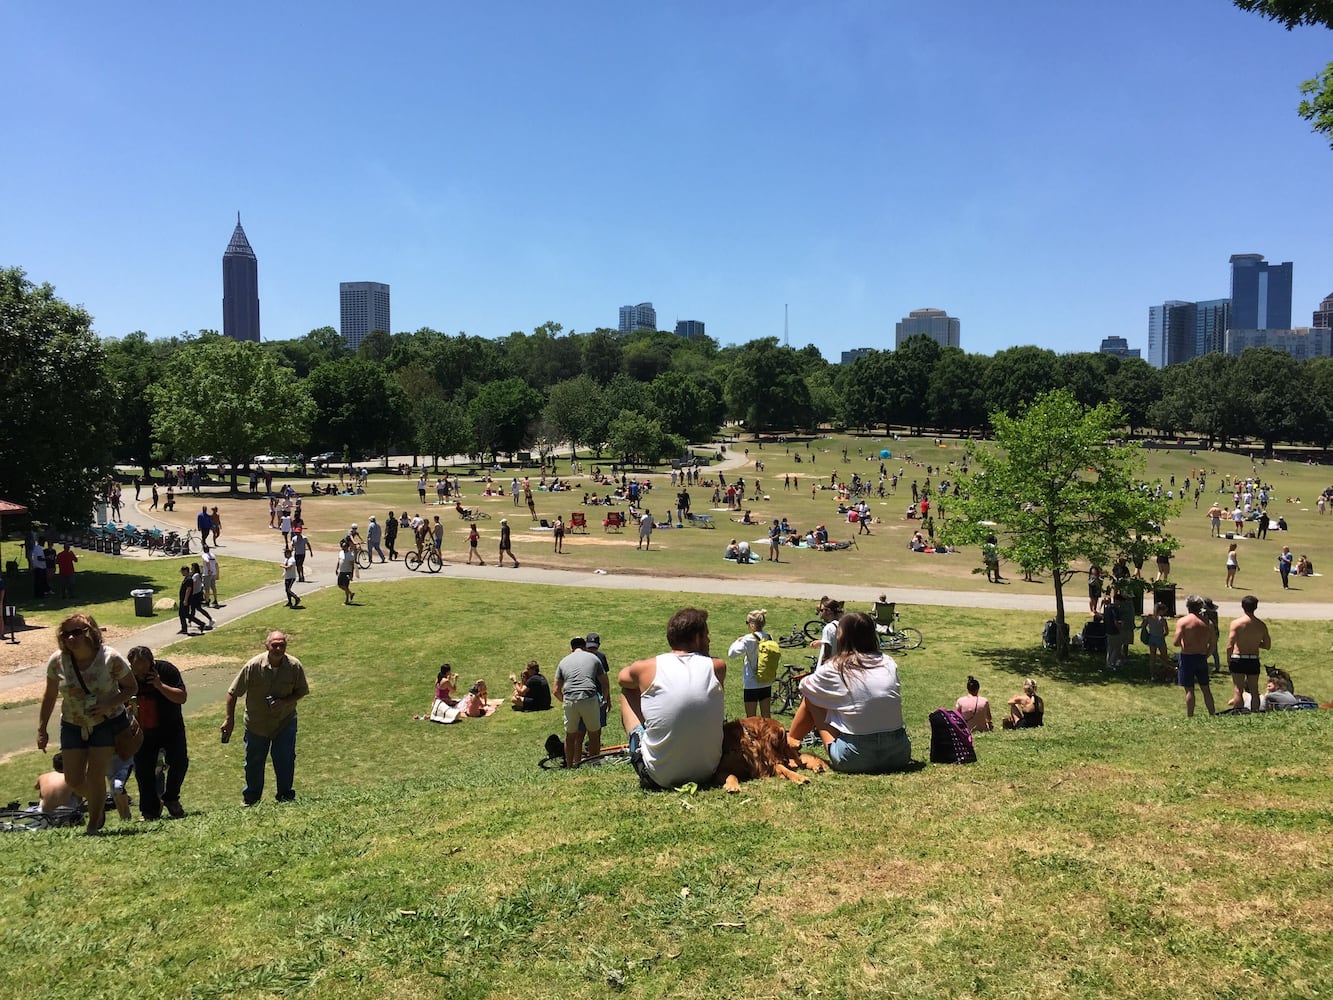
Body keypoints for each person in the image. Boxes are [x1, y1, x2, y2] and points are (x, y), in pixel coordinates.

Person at [37, 613, 137, 833]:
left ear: (90, 632)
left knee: (95, 774)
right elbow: (50, 695)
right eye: (66, 634)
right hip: (72, 724)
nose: (71, 638)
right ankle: (99, 804)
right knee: (73, 779)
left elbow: (132, 688)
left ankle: (93, 823)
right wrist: (42, 728)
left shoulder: (110, 657)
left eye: (77, 632)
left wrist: (108, 704)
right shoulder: (57, 661)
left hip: (104, 722)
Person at [618, 607, 726, 790]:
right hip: (708, 772)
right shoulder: (717, 667)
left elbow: (622, 677)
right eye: (706, 635)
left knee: (627, 691)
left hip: (658, 777)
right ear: (698, 637)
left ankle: (639, 738)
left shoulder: (644, 668)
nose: (709, 640)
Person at [789, 612, 911, 772]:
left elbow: (805, 687)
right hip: (899, 754)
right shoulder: (888, 662)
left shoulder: (836, 667)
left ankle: (789, 744)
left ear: (842, 637)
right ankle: (790, 743)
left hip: (855, 757)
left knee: (811, 699)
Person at [222, 631, 309, 806]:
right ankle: (251, 799)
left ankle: (285, 795)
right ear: (266, 645)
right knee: (254, 762)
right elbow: (233, 692)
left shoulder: (294, 666)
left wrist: (284, 702)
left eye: (281, 645)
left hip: (285, 721)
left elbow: (302, 691)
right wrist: (229, 719)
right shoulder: (253, 666)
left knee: (285, 758)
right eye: (274, 645)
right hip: (257, 724)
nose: (278, 648)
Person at [127, 645, 189, 820]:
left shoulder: (166, 670)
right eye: (135, 669)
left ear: (152, 663)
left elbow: (182, 697)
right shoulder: (126, 677)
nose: (139, 674)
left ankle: (171, 798)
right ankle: (149, 812)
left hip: (171, 728)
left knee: (179, 763)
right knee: (143, 772)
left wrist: (159, 685)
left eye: (143, 669)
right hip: (143, 731)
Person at [554, 637, 611, 768]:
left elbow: (556, 690)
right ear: (584, 646)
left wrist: (566, 702)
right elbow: (605, 684)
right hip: (589, 698)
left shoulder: (563, 661)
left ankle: (570, 766)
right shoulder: (594, 658)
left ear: (571, 648)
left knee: (570, 736)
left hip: (570, 700)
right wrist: (603, 699)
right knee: (594, 734)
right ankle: (594, 764)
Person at [1173, 594, 1217, 718]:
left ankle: (1190, 716)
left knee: (1189, 689)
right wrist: (1206, 654)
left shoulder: (1183, 622)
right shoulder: (1208, 623)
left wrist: (1184, 643)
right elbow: (1213, 643)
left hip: (1187, 657)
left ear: (1188, 606)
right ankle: (1212, 714)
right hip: (1201, 656)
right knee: (1205, 688)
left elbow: (1176, 642)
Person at [1227, 594, 1271, 713]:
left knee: (1238, 689)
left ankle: (1238, 712)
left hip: (1238, 657)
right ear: (1256, 607)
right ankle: (1255, 712)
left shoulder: (1236, 623)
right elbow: (1267, 645)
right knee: (1254, 689)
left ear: (1242, 606)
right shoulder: (1261, 625)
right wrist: (1256, 643)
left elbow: (1230, 644)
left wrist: (1228, 659)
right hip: (1253, 658)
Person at [727, 609, 775, 718]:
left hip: (751, 683)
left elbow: (731, 654)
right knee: (766, 716)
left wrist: (738, 640)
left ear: (752, 624)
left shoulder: (748, 639)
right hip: (766, 680)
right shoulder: (769, 637)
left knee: (751, 719)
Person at [811, 596, 843, 667]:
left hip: (828, 668)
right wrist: (822, 641)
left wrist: (822, 669)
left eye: (822, 610)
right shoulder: (842, 625)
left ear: (829, 611)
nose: (820, 612)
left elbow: (827, 652)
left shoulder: (829, 628)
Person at [1141, 604, 1170, 681]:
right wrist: (1163, 635)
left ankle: (1152, 675)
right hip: (1160, 638)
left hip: (1152, 638)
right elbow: (1166, 632)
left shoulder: (1149, 618)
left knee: (1152, 657)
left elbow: (1143, 625)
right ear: (1160, 611)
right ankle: (1166, 675)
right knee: (1164, 657)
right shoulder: (1163, 620)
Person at [189, 563, 215, 629]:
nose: (191, 569)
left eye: (192, 567)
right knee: (193, 609)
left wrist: (189, 592)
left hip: (195, 595)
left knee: (197, 609)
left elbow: (193, 585)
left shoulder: (195, 576)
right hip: (197, 594)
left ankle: (210, 619)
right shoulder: (198, 575)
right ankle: (190, 622)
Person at [336, 538, 357, 605]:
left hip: (347, 572)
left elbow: (352, 566)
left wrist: (351, 574)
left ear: (347, 547)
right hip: (341, 571)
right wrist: (336, 569)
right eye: (342, 546)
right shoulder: (341, 553)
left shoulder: (350, 555)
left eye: (344, 546)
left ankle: (347, 600)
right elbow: (339, 561)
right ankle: (351, 593)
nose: (343, 547)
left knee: (346, 586)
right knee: (339, 585)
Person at [200, 543, 220, 609]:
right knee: (213, 587)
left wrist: (208, 570)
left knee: (207, 588)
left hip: (207, 574)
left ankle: (207, 601)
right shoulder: (213, 555)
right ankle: (215, 600)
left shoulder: (204, 555)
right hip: (213, 573)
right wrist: (217, 573)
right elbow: (216, 564)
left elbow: (207, 561)